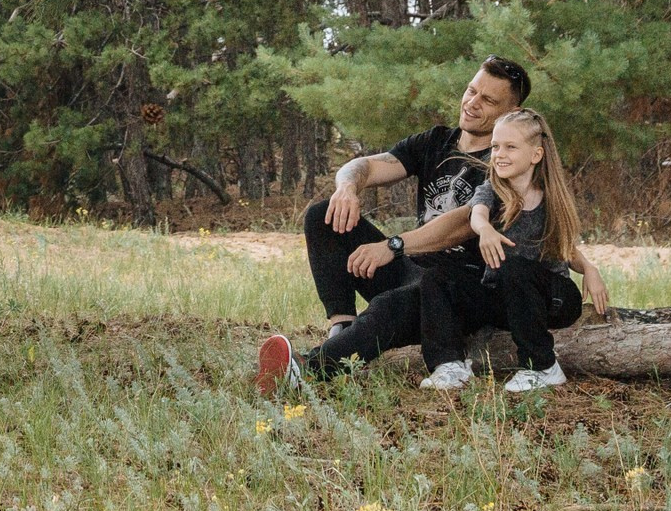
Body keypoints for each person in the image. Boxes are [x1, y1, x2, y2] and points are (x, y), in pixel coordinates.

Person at [255, 54, 530, 392]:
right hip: (412, 268)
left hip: (454, 291)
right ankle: (342, 327)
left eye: (488, 100)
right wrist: (347, 188)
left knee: (392, 305)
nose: (472, 103)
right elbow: (367, 166)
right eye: (471, 91)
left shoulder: (506, 160)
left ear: (510, 113)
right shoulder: (435, 141)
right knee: (323, 216)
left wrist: (393, 245)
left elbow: (464, 223)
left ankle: (307, 371)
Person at [416, 108, 610, 393]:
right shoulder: (491, 190)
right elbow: (477, 215)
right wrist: (484, 230)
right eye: (495, 146)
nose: (499, 154)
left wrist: (590, 269)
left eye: (510, 147)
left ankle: (542, 367)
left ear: (536, 155)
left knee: (514, 267)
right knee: (437, 279)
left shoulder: (549, 198)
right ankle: (450, 365)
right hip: (506, 300)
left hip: (552, 299)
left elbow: (565, 247)